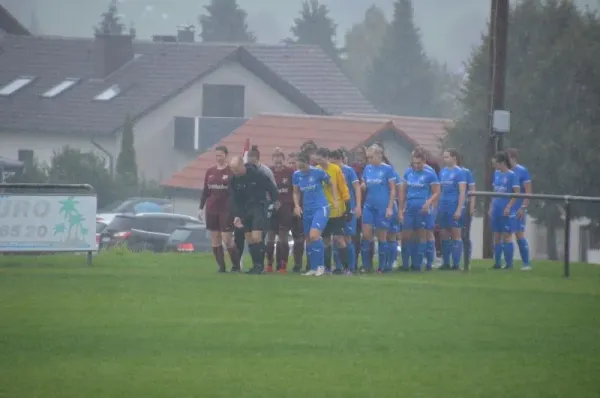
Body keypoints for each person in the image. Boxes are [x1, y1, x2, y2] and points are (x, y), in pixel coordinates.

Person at [228, 156, 279, 274]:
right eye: (232, 170)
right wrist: (236, 215)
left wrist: (275, 201)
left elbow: (271, 188)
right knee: (250, 239)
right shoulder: (234, 180)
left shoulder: (257, 174)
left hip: (258, 207)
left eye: (236, 169)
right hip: (244, 210)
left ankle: (259, 266)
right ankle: (256, 265)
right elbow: (233, 199)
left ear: (242, 165)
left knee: (257, 236)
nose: (234, 172)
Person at [199, 146, 240, 273]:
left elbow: (236, 193)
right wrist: (201, 207)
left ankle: (236, 265)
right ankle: (221, 267)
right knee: (215, 237)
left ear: (226, 155)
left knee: (227, 238)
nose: (218, 158)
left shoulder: (230, 172)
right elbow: (206, 191)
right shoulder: (210, 172)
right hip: (212, 209)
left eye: (221, 155)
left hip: (226, 210)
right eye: (216, 155)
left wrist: (237, 210)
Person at [292, 151, 332, 276]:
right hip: (307, 209)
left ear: (307, 163)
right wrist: (297, 206)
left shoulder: (318, 172)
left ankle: (321, 266)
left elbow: (330, 183)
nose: (301, 169)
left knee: (314, 235)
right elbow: (296, 192)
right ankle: (313, 268)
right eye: (298, 166)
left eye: (303, 166)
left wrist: (333, 198)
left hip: (320, 207)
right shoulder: (296, 175)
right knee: (308, 239)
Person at [399, 151, 440, 271]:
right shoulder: (408, 172)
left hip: (423, 209)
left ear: (424, 161)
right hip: (410, 207)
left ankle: (419, 264)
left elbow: (437, 191)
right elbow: (403, 190)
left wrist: (429, 202)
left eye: (419, 163)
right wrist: (401, 209)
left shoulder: (430, 173)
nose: (417, 166)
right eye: (415, 163)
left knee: (422, 235)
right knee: (406, 236)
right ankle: (405, 264)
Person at [312, 147, 350, 274]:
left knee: (339, 239)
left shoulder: (335, 169)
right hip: (323, 210)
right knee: (326, 240)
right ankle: (327, 268)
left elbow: (343, 188)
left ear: (326, 158)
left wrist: (347, 206)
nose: (318, 161)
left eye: (320, 159)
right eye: (317, 159)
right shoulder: (316, 170)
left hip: (337, 209)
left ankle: (346, 268)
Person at [361, 145, 396, 274]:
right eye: (368, 157)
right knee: (366, 235)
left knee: (382, 236)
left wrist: (390, 207)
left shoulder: (387, 169)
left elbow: (393, 189)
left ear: (379, 155)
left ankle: (382, 266)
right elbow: (364, 181)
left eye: (371, 157)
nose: (369, 159)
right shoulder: (367, 168)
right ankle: (366, 265)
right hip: (369, 205)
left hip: (383, 206)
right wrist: (363, 184)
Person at [329, 149, 362, 275]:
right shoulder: (330, 171)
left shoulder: (349, 171)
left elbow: (356, 188)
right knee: (336, 237)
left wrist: (358, 206)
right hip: (335, 209)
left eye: (334, 162)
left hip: (348, 208)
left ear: (340, 160)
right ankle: (338, 266)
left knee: (347, 238)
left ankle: (351, 267)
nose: (332, 165)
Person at [266, 148, 295, 274]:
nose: (278, 160)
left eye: (280, 157)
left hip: (286, 208)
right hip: (272, 209)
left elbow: (295, 190)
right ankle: (269, 264)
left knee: (283, 238)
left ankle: (283, 265)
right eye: (275, 157)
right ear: (272, 159)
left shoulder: (290, 172)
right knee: (270, 238)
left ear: (283, 159)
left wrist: (295, 206)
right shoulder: (269, 172)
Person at [438, 149, 467, 271]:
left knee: (456, 234)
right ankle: (446, 263)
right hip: (443, 206)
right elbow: (439, 190)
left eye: (447, 157)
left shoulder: (460, 172)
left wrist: (459, 209)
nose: (445, 160)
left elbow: (462, 192)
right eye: (444, 157)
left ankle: (456, 264)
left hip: (454, 205)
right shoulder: (443, 172)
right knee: (444, 234)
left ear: (454, 158)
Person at [490, 151, 520, 270]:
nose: (494, 166)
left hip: (506, 209)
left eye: (495, 163)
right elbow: (494, 191)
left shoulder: (512, 175)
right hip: (496, 208)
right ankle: (497, 263)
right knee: (497, 236)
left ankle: (509, 264)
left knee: (507, 235)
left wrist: (509, 206)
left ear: (502, 163)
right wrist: (491, 206)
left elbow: (516, 193)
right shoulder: (496, 174)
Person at [507, 148, 532, 271]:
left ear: (513, 158)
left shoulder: (522, 171)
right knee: (506, 234)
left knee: (519, 234)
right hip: (506, 206)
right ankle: (508, 263)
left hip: (518, 207)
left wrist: (523, 207)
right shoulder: (504, 171)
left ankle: (526, 263)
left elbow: (528, 192)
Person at [350, 145, 371, 267]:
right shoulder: (353, 169)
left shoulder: (370, 169)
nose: (359, 156)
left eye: (361, 153)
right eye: (357, 153)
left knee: (367, 235)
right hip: (357, 204)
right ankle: (354, 263)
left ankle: (367, 264)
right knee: (355, 235)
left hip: (368, 204)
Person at [287, 152, 305, 273]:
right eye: (290, 163)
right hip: (287, 210)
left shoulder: (303, 175)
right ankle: (291, 264)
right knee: (294, 236)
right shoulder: (287, 175)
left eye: (294, 163)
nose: (292, 165)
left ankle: (299, 264)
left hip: (303, 209)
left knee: (301, 237)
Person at [456, 154, 476, 268]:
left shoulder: (466, 172)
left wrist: (472, 206)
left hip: (465, 207)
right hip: (451, 207)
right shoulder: (446, 171)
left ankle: (466, 261)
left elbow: (473, 190)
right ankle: (454, 261)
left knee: (464, 235)